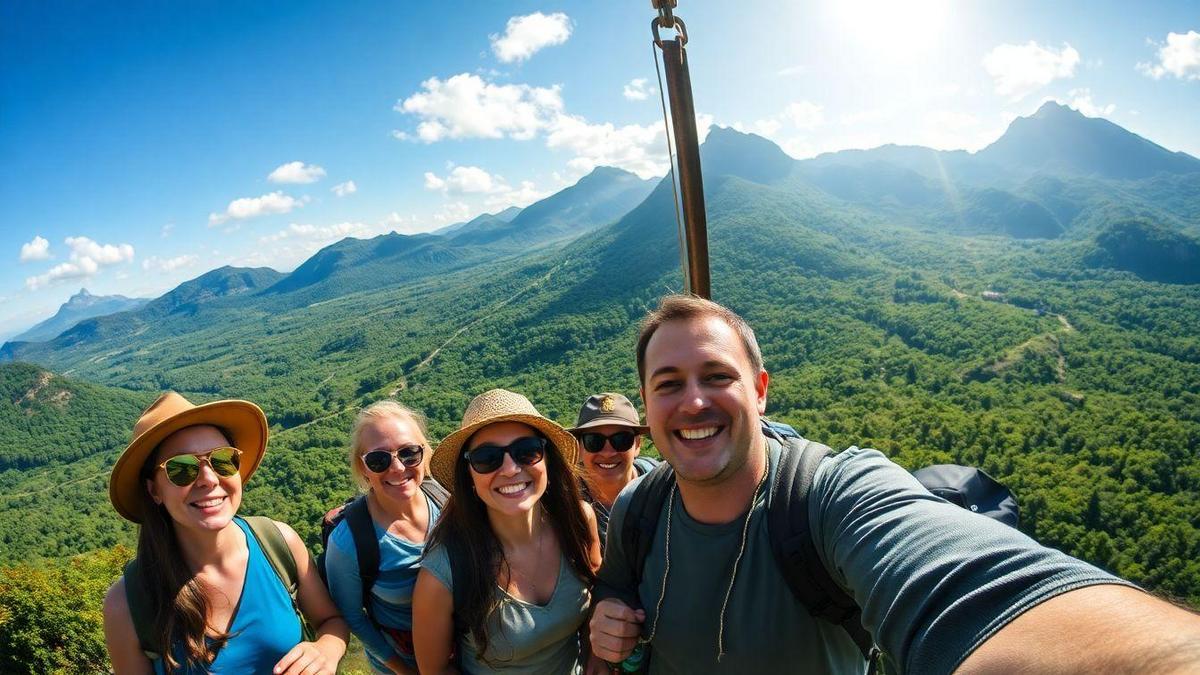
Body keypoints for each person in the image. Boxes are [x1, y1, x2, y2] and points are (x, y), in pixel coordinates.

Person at [589, 294, 1200, 674]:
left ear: (761, 390)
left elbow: (980, 591)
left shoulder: (828, 496)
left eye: (717, 376)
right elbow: (615, 588)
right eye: (668, 384)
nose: (693, 401)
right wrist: (608, 623)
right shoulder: (641, 506)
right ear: (647, 403)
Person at [102, 392, 348, 674]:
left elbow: (331, 621)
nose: (208, 479)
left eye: (223, 460)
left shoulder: (278, 543)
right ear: (154, 490)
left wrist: (326, 649)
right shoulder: (127, 604)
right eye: (182, 469)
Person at [412, 388, 604, 674]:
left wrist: (594, 655)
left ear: (547, 459)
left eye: (527, 451)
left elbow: (596, 595)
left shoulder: (577, 523)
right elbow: (435, 671)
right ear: (469, 476)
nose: (511, 469)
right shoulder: (443, 574)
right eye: (487, 458)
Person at [324, 401, 444, 674]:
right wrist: (402, 670)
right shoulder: (349, 542)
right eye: (379, 460)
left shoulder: (446, 500)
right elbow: (353, 617)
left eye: (409, 453)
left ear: (424, 453)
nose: (398, 468)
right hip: (406, 662)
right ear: (363, 467)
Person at [567, 392, 656, 551]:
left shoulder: (663, 486)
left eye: (621, 440)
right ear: (579, 447)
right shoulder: (565, 502)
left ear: (637, 445)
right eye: (594, 441)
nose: (608, 453)